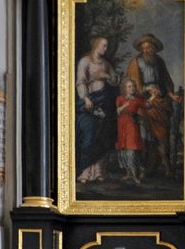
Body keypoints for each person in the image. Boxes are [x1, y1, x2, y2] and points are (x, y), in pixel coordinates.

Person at [126, 34, 179, 176]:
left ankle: (167, 169)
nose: (145, 50)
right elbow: (132, 86)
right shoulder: (135, 63)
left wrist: (172, 95)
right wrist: (148, 89)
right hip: (143, 103)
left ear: (154, 48)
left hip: (160, 102)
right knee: (145, 135)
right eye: (143, 48)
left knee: (162, 137)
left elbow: (166, 82)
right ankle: (143, 168)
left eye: (148, 47)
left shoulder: (159, 62)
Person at [75, 34, 118, 183]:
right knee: (88, 133)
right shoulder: (85, 61)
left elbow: (115, 80)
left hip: (105, 102)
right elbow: (81, 81)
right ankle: (85, 171)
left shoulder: (105, 63)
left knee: (103, 136)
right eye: (103, 45)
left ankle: (99, 171)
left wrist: (105, 75)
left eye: (106, 46)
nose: (105, 48)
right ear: (96, 46)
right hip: (89, 102)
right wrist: (86, 98)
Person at [113, 79, 147, 184]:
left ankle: (136, 175)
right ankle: (129, 174)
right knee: (122, 150)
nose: (132, 88)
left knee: (132, 150)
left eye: (133, 86)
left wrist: (154, 97)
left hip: (132, 126)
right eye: (129, 86)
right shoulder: (120, 98)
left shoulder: (137, 99)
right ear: (125, 88)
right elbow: (116, 111)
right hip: (121, 126)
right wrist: (124, 106)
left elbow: (147, 106)